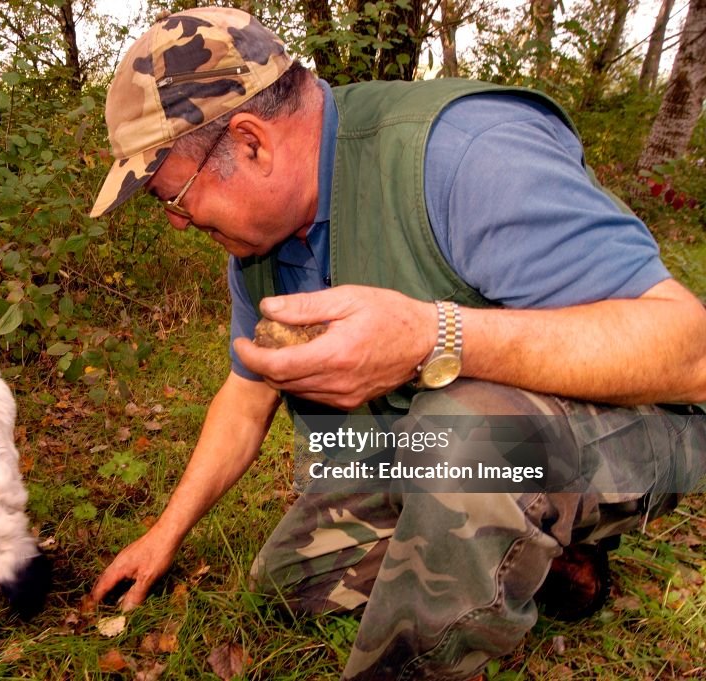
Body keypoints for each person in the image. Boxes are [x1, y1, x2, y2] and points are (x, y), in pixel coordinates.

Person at [86, 7, 706, 680]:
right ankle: (534, 556)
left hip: (643, 426)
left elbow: (689, 351)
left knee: (463, 434)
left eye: (173, 196)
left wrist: (433, 336)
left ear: (252, 142)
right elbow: (246, 393)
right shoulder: (260, 247)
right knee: (291, 579)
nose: (178, 222)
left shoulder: (466, 154)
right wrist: (163, 534)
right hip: (445, 447)